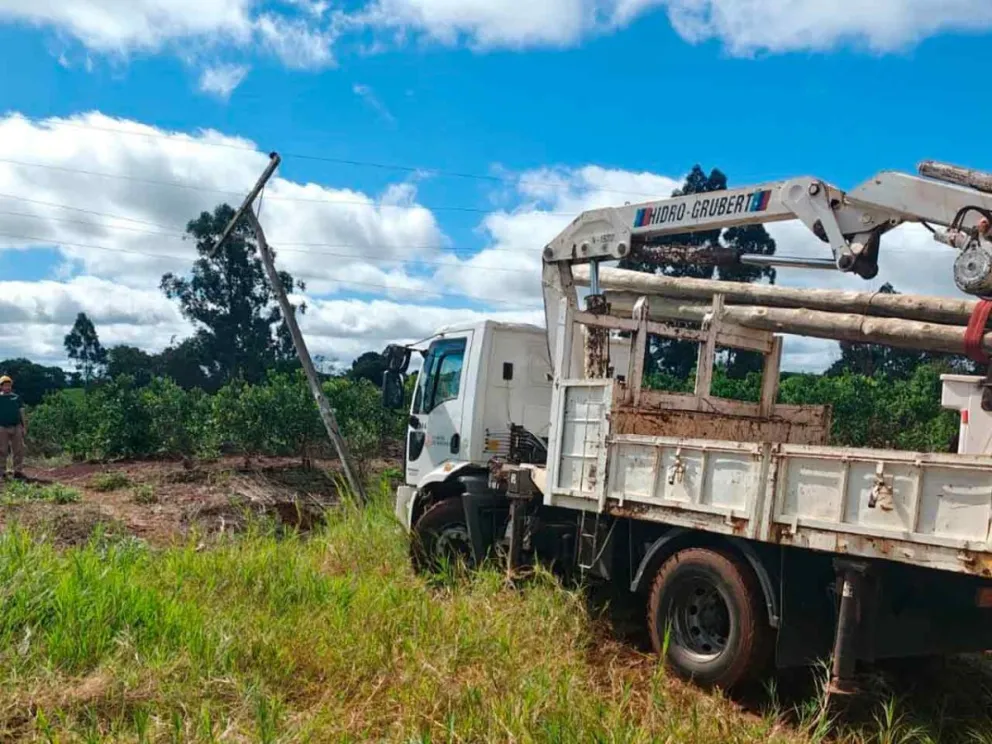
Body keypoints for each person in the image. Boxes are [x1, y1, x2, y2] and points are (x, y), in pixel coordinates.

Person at [0, 375, 26, 478]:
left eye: (9, 385)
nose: (7, 387)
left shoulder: (16, 397)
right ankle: (2, 471)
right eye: (5, 385)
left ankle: (18, 470)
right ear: (1, 387)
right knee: (2, 449)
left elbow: (22, 412)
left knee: (19, 449)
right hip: (2, 427)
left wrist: (24, 427)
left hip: (16, 426)